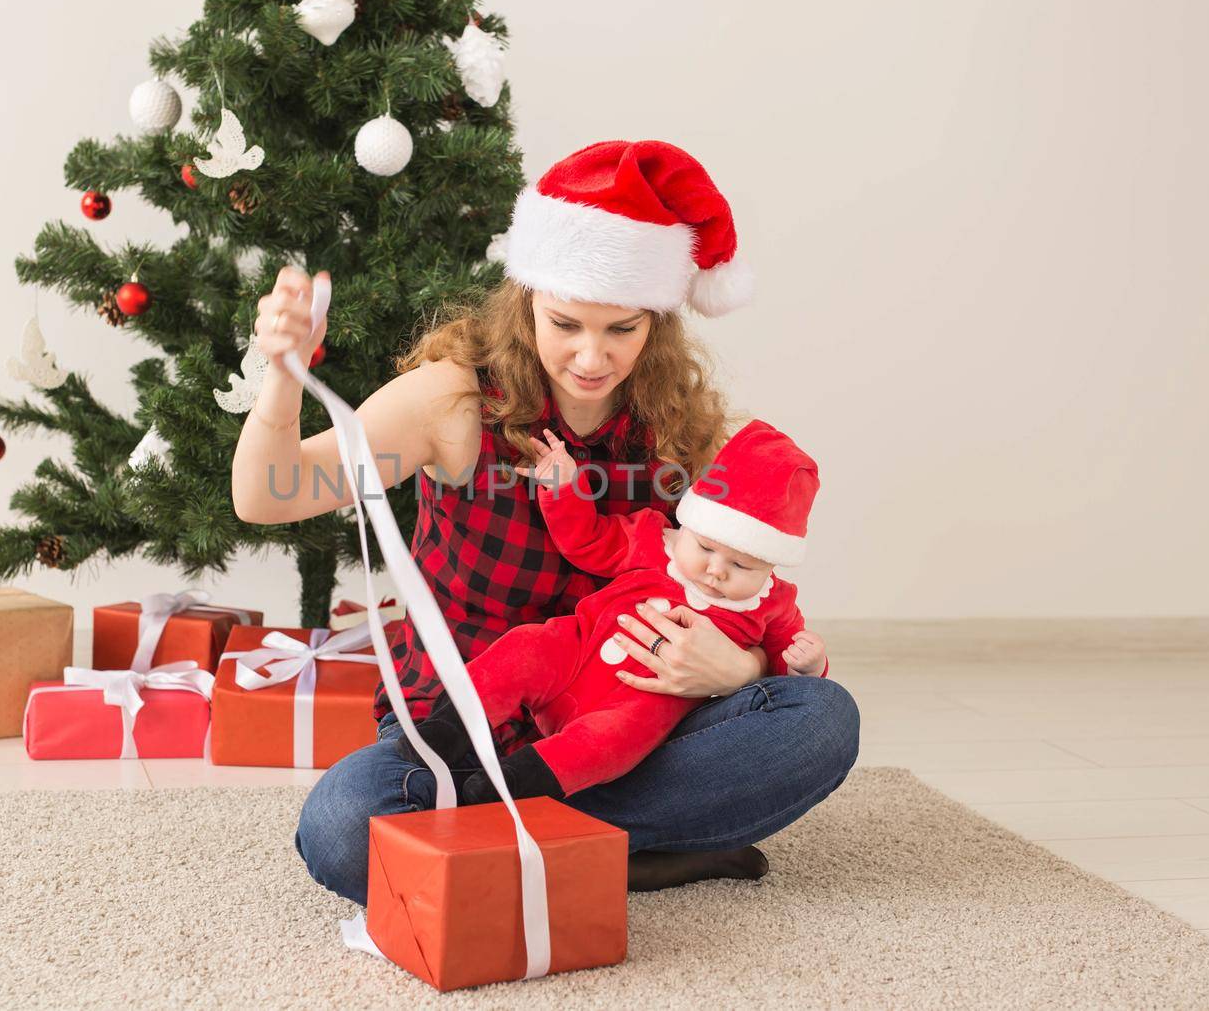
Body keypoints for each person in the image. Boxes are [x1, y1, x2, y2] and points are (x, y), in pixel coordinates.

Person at [231, 139, 860, 905]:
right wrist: (280, 375)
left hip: (621, 728)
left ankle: (517, 849)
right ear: (526, 301)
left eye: (622, 330)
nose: (591, 356)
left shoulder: (681, 426)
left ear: (655, 324)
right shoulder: (453, 400)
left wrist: (745, 671)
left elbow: (746, 595)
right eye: (566, 324)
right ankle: (616, 849)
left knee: (821, 718)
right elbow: (267, 494)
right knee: (341, 826)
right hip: (464, 729)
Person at [397, 419, 827, 805]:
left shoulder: (772, 602)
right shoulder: (653, 541)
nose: (715, 571)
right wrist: (566, 488)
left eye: (741, 565)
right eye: (707, 548)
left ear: (771, 564)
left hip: (640, 701)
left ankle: (517, 785)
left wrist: (808, 664)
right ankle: (447, 728)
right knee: (525, 648)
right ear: (690, 524)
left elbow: (782, 659)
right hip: (576, 651)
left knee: (622, 739)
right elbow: (587, 541)